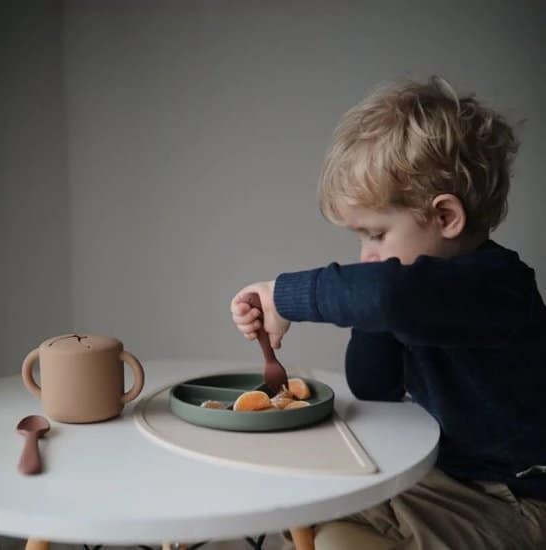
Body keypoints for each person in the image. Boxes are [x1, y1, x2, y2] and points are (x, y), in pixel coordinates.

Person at [230, 76, 546, 549]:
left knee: (331, 535)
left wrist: (284, 296)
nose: (366, 256)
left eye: (377, 235)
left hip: (513, 499)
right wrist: (375, 320)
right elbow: (373, 385)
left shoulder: (497, 286)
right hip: (437, 476)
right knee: (301, 501)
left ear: (445, 217)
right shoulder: (409, 302)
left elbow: (392, 296)